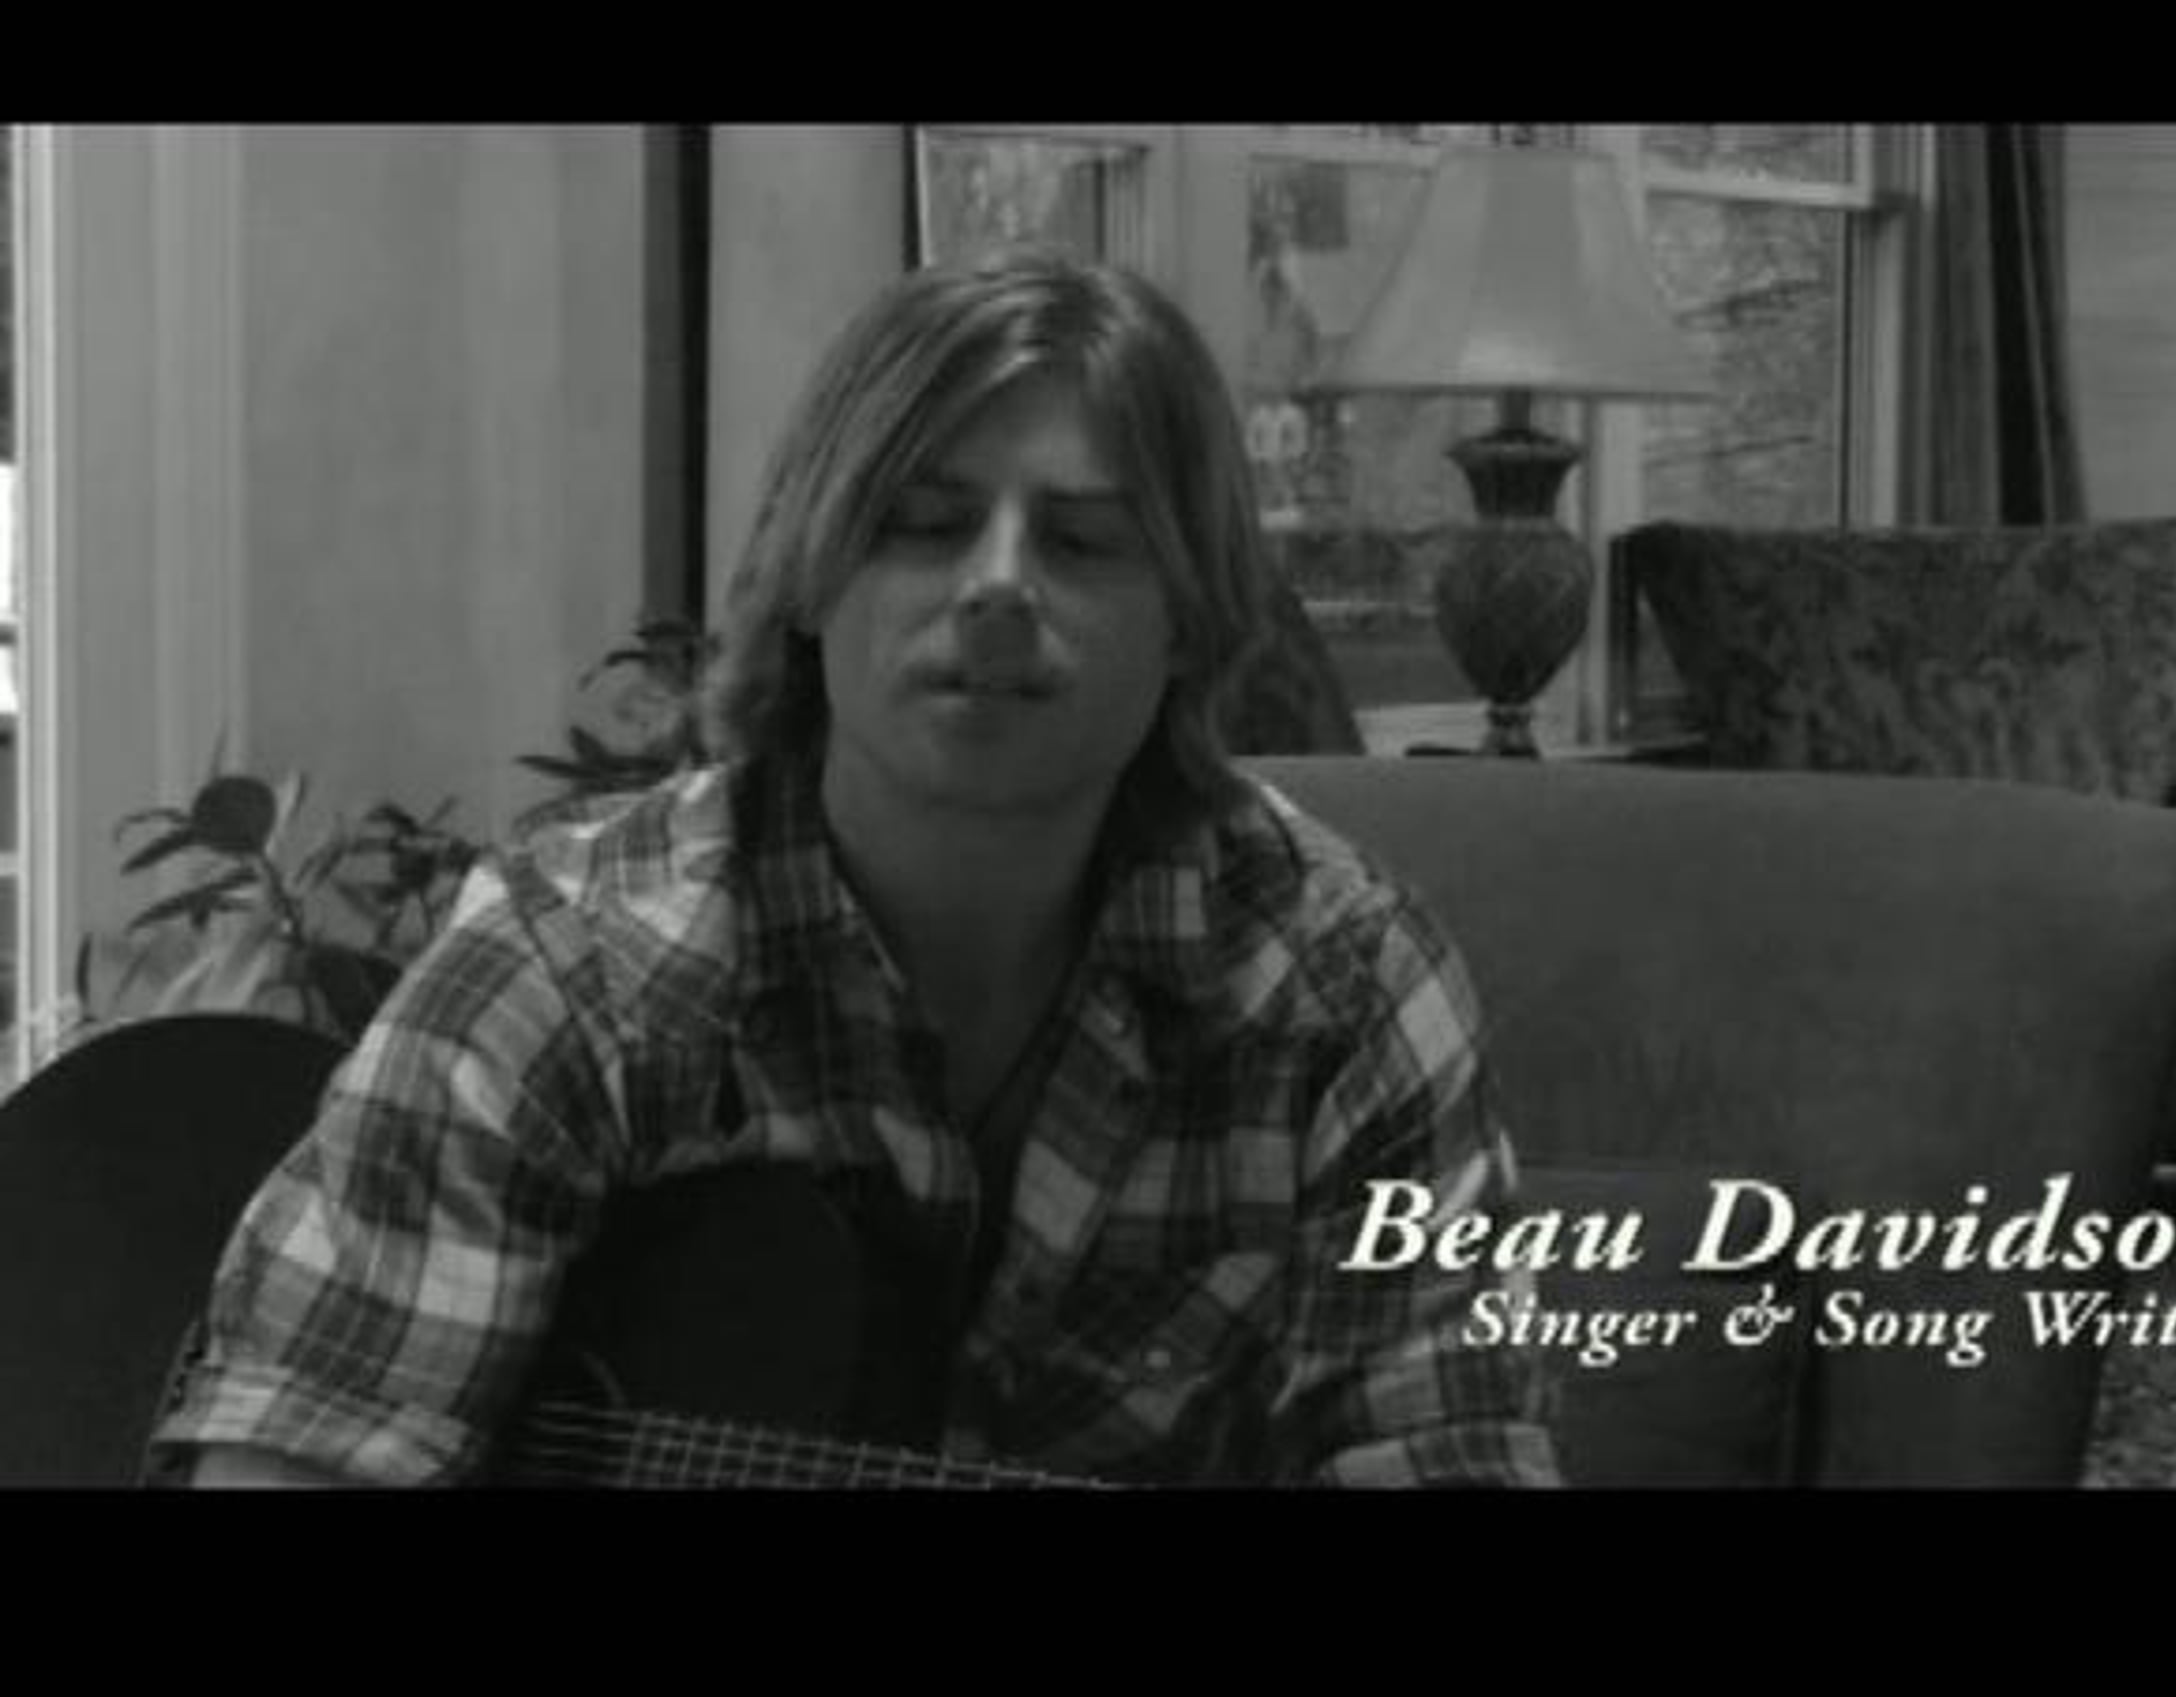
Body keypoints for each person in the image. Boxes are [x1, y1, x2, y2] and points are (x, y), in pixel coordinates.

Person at [150, 248, 1561, 1487]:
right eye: (924, 524)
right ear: (815, 577)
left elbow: (1449, 1446)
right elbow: (298, 1453)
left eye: (1082, 541)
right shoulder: (571, 963)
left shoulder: (1344, 989)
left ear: (1190, 618)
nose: (997, 586)